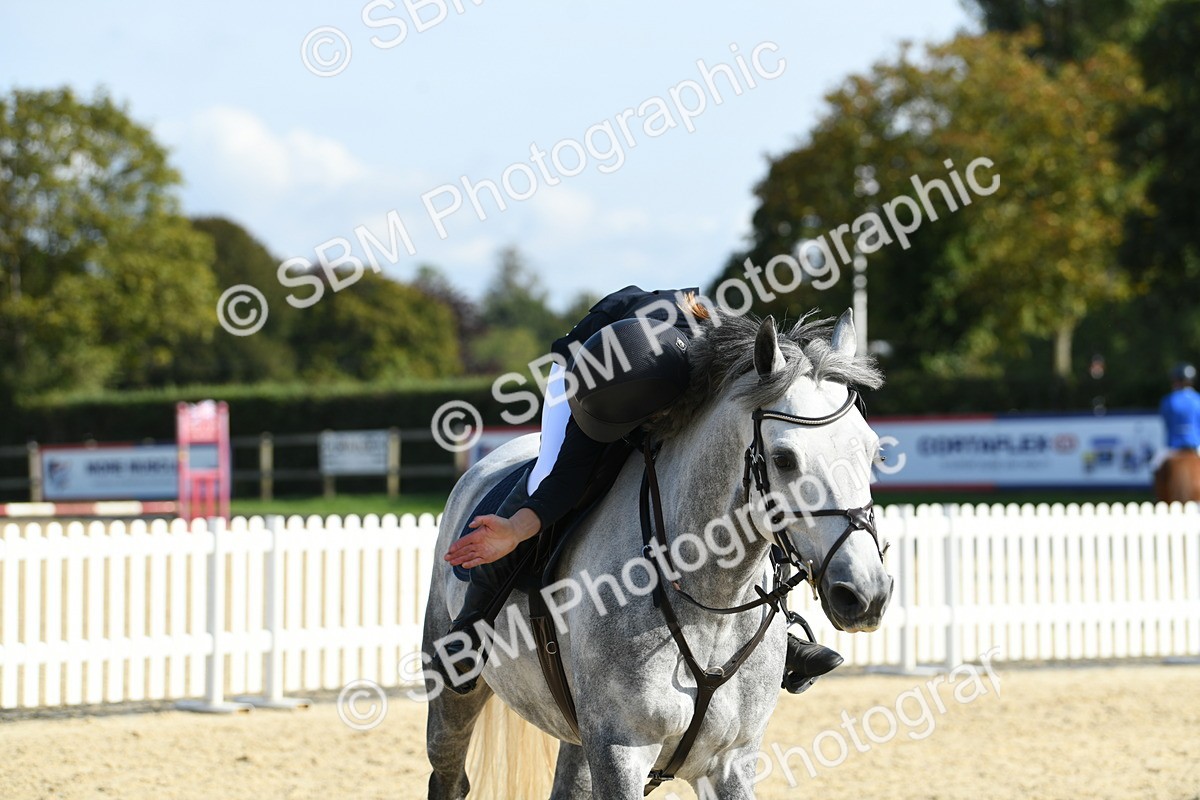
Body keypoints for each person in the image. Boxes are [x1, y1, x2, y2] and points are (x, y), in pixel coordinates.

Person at [435, 285, 843, 693]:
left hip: (665, 367)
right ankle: (470, 628)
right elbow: (565, 478)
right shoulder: (600, 389)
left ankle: (780, 628)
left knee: (748, 475)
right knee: (547, 474)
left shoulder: (714, 368)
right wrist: (513, 529)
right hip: (584, 370)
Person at [1156, 362, 1200, 468]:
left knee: (1155, 466)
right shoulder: (1198, 399)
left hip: (1173, 447)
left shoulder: (1168, 400)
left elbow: (1166, 420)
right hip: (1196, 446)